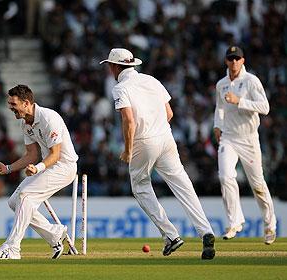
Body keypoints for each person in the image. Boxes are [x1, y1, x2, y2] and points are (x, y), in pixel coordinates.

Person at [99, 48, 215, 259]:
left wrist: (128, 149)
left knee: (140, 187)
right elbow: (169, 113)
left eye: (110, 66)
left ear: (115, 67)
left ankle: (170, 235)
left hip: (143, 141)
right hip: (165, 137)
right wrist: (157, 129)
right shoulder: (151, 80)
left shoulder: (120, 88)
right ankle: (205, 231)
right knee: (183, 185)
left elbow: (129, 121)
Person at [0, 84, 78, 260]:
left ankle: (13, 248)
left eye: (13, 104)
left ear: (26, 103)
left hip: (64, 166)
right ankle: (54, 234)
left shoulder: (48, 118)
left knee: (26, 196)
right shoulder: (26, 124)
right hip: (49, 166)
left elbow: (55, 154)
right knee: (14, 201)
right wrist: (7, 168)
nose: (10, 108)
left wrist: (38, 168)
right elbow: (32, 154)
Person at [214, 46, 276, 244]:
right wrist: (217, 125)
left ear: (243, 61)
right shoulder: (221, 84)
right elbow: (219, 107)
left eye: (237, 59)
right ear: (226, 61)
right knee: (225, 176)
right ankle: (234, 222)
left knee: (257, 184)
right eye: (230, 59)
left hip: (248, 138)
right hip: (229, 137)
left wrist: (240, 101)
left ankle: (269, 225)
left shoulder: (251, 81)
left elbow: (264, 107)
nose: (233, 62)